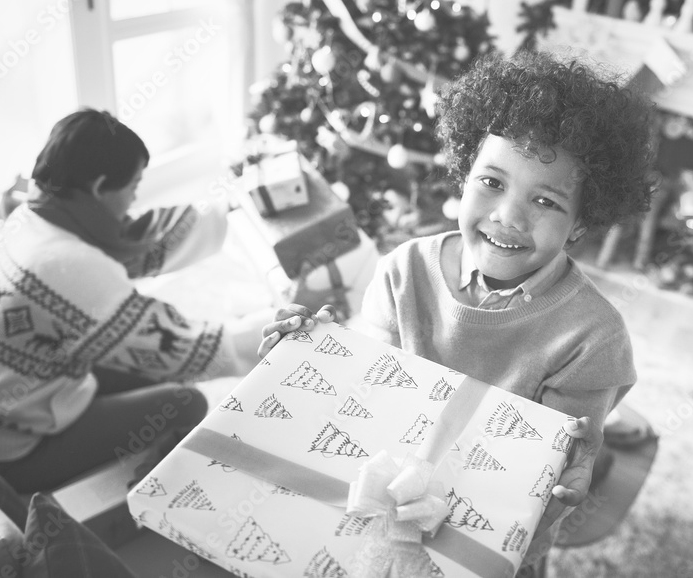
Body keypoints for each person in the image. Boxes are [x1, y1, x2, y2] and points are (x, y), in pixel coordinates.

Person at [259, 51, 656, 568]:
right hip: (374, 517)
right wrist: (312, 360)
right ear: (464, 174)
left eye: (547, 202)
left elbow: (538, 483)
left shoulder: (594, 337)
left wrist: (570, 469)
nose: (508, 217)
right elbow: (363, 398)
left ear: (582, 222)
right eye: (492, 183)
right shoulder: (402, 270)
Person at [0, 109, 271, 493]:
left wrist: (230, 206)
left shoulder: (31, 216)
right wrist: (269, 333)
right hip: (10, 448)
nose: (135, 197)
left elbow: (134, 239)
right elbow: (187, 348)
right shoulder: (69, 265)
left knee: (150, 369)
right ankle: (170, 494)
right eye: (134, 186)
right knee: (185, 401)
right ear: (100, 185)